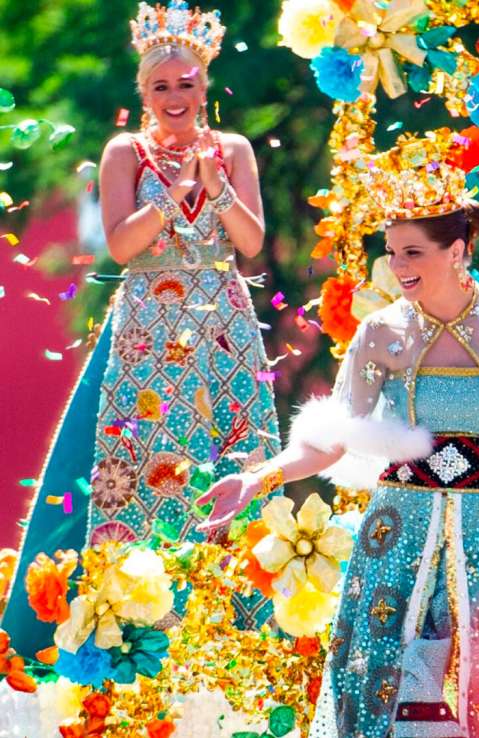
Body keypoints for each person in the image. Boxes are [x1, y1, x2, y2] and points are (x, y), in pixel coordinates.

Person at [194, 142, 479, 738]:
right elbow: (334, 439)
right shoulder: (382, 330)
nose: (399, 268)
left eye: (413, 252)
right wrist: (260, 477)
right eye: (392, 254)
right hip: (396, 530)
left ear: (460, 250)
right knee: (376, 686)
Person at [3, 0, 281, 654]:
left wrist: (218, 191)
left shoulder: (234, 150)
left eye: (187, 84)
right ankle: (131, 627)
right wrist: (175, 187)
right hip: (149, 326)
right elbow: (123, 246)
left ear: (205, 87)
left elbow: (250, 239)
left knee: (229, 450)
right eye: (162, 87)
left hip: (220, 324)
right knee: (142, 462)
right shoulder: (124, 151)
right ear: (144, 94)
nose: (176, 96)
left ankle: (240, 632)